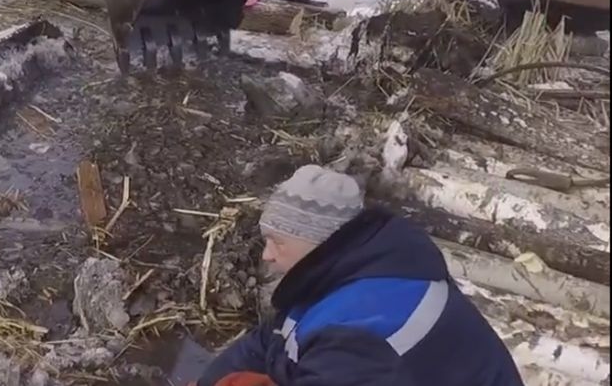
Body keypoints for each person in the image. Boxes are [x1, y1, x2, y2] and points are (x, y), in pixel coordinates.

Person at [194, 165, 524, 386]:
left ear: (318, 241)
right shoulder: (356, 267)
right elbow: (271, 338)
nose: (267, 255)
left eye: (278, 242)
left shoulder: (362, 329)